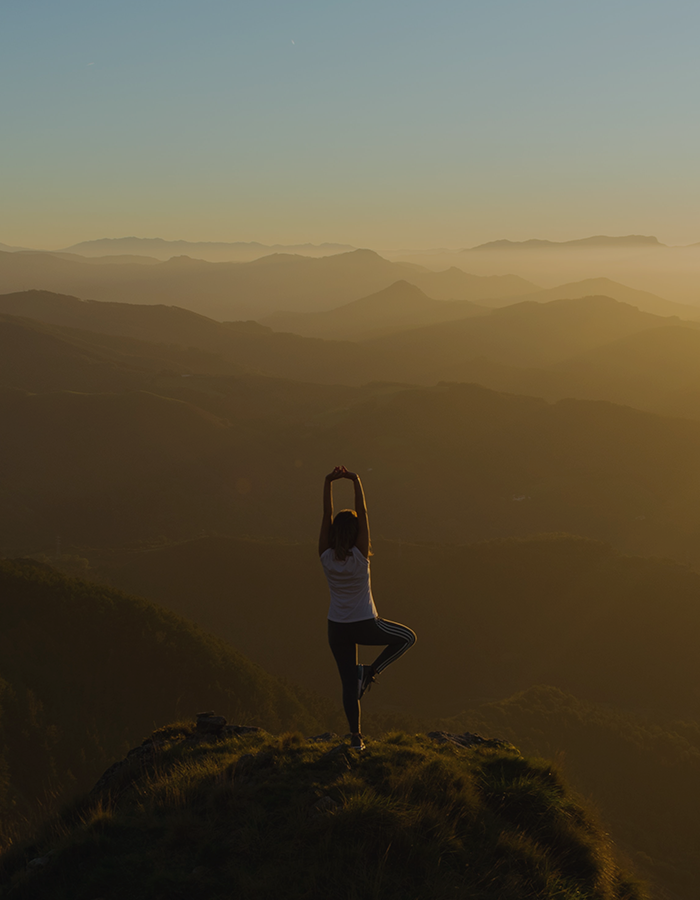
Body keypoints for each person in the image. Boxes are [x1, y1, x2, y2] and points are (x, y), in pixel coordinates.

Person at [319, 466, 416, 751]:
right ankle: (371, 672)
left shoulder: (325, 556)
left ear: (335, 531)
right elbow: (364, 513)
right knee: (408, 638)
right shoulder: (360, 557)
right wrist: (355, 480)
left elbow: (326, 515)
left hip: (336, 628)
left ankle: (355, 739)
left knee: (349, 686)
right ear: (356, 532)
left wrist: (328, 482)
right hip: (364, 623)